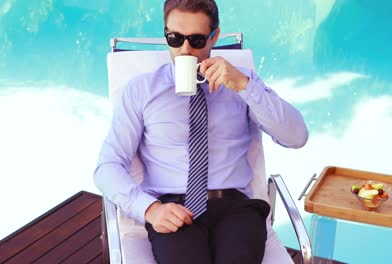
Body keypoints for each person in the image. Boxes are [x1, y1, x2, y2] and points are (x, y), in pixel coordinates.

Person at [94, 0, 308, 263]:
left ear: (214, 36)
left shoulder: (242, 82)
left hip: (236, 209)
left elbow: (297, 137)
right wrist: (150, 209)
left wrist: (244, 86)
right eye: (174, 38)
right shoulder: (142, 91)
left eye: (196, 40)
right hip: (173, 208)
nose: (185, 50)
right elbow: (107, 166)